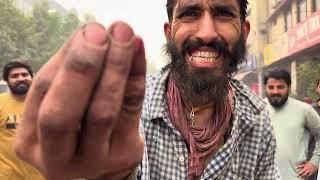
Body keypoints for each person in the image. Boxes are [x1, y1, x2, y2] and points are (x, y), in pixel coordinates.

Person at [15, 0, 280, 179]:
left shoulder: (256, 117)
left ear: (244, 32)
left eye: (223, 13)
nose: (207, 33)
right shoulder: (130, 109)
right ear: (168, 33)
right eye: (189, 13)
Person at [264, 69, 320, 180]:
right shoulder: (257, 110)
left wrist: (315, 161)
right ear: (265, 87)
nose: (275, 91)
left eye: (280, 87)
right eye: (271, 87)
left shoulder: (305, 110)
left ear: (288, 87)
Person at [0, 61, 44, 179]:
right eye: (14, 76)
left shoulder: (46, 103)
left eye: (25, 75)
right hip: (8, 175)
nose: (21, 78)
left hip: (41, 175)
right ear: (7, 81)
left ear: (32, 77)